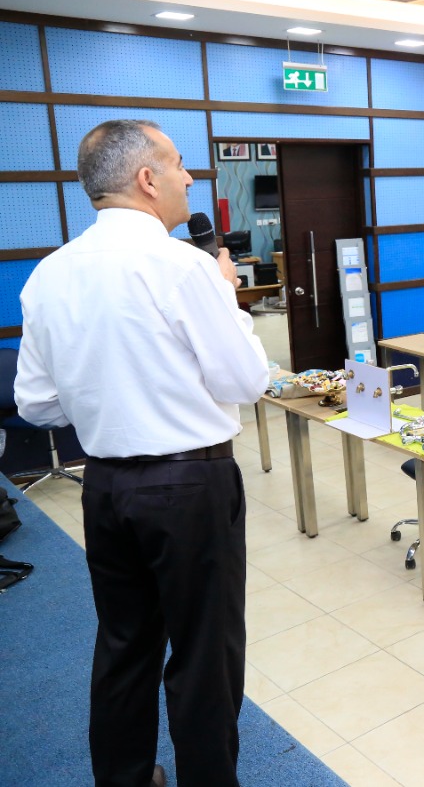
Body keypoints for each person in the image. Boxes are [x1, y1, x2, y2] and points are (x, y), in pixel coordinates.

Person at [15, 119, 269, 786]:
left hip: (104, 487)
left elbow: (36, 404)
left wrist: (107, 400)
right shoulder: (185, 266)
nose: (190, 177)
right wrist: (228, 296)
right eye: (180, 164)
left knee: (123, 646)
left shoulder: (48, 275)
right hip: (191, 488)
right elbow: (246, 381)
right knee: (204, 656)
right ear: (148, 179)